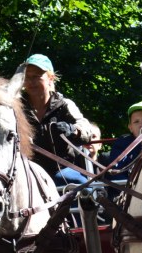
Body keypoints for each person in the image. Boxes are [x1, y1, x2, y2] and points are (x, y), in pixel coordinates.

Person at [20, 54, 94, 186]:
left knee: (82, 186)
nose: (30, 81)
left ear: (51, 78)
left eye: (36, 76)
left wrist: (72, 130)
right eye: (27, 77)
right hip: (25, 170)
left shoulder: (65, 104)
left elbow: (87, 130)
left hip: (60, 170)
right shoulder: (16, 108)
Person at [99, 101, 142, 182]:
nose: (141, 125)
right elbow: (117, 173)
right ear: (130, 127)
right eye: (136, 122)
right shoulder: (123, 144)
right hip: (128, 191)